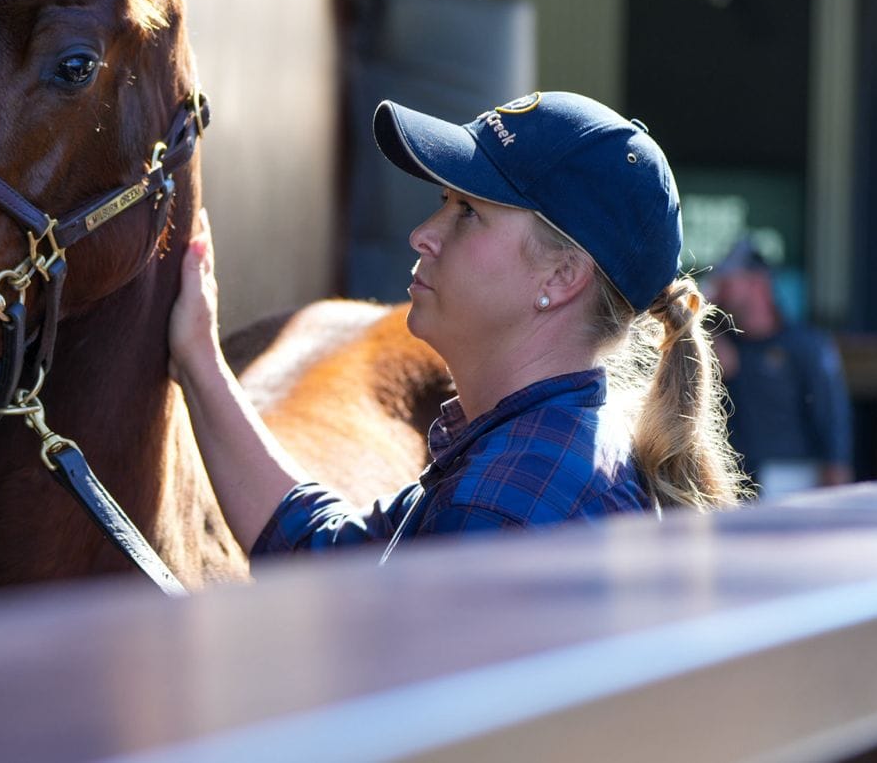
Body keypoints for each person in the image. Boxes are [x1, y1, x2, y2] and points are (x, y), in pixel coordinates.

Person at [168, 91, 746, 562]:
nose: (424, 233)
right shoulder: (532, 451)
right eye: (446, 200)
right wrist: (199, 358)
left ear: (562, 275)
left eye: (468, 212)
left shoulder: (503, 509)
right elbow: (331, 558)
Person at [705, 237, 853, 498]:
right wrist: (704, 304)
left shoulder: (804, 344)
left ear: (757, 282)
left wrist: (836, 467)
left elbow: (831, 413)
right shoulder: (723, 341)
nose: (723, 286)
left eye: (731, 278)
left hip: (796, 481)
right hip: (738, 482)